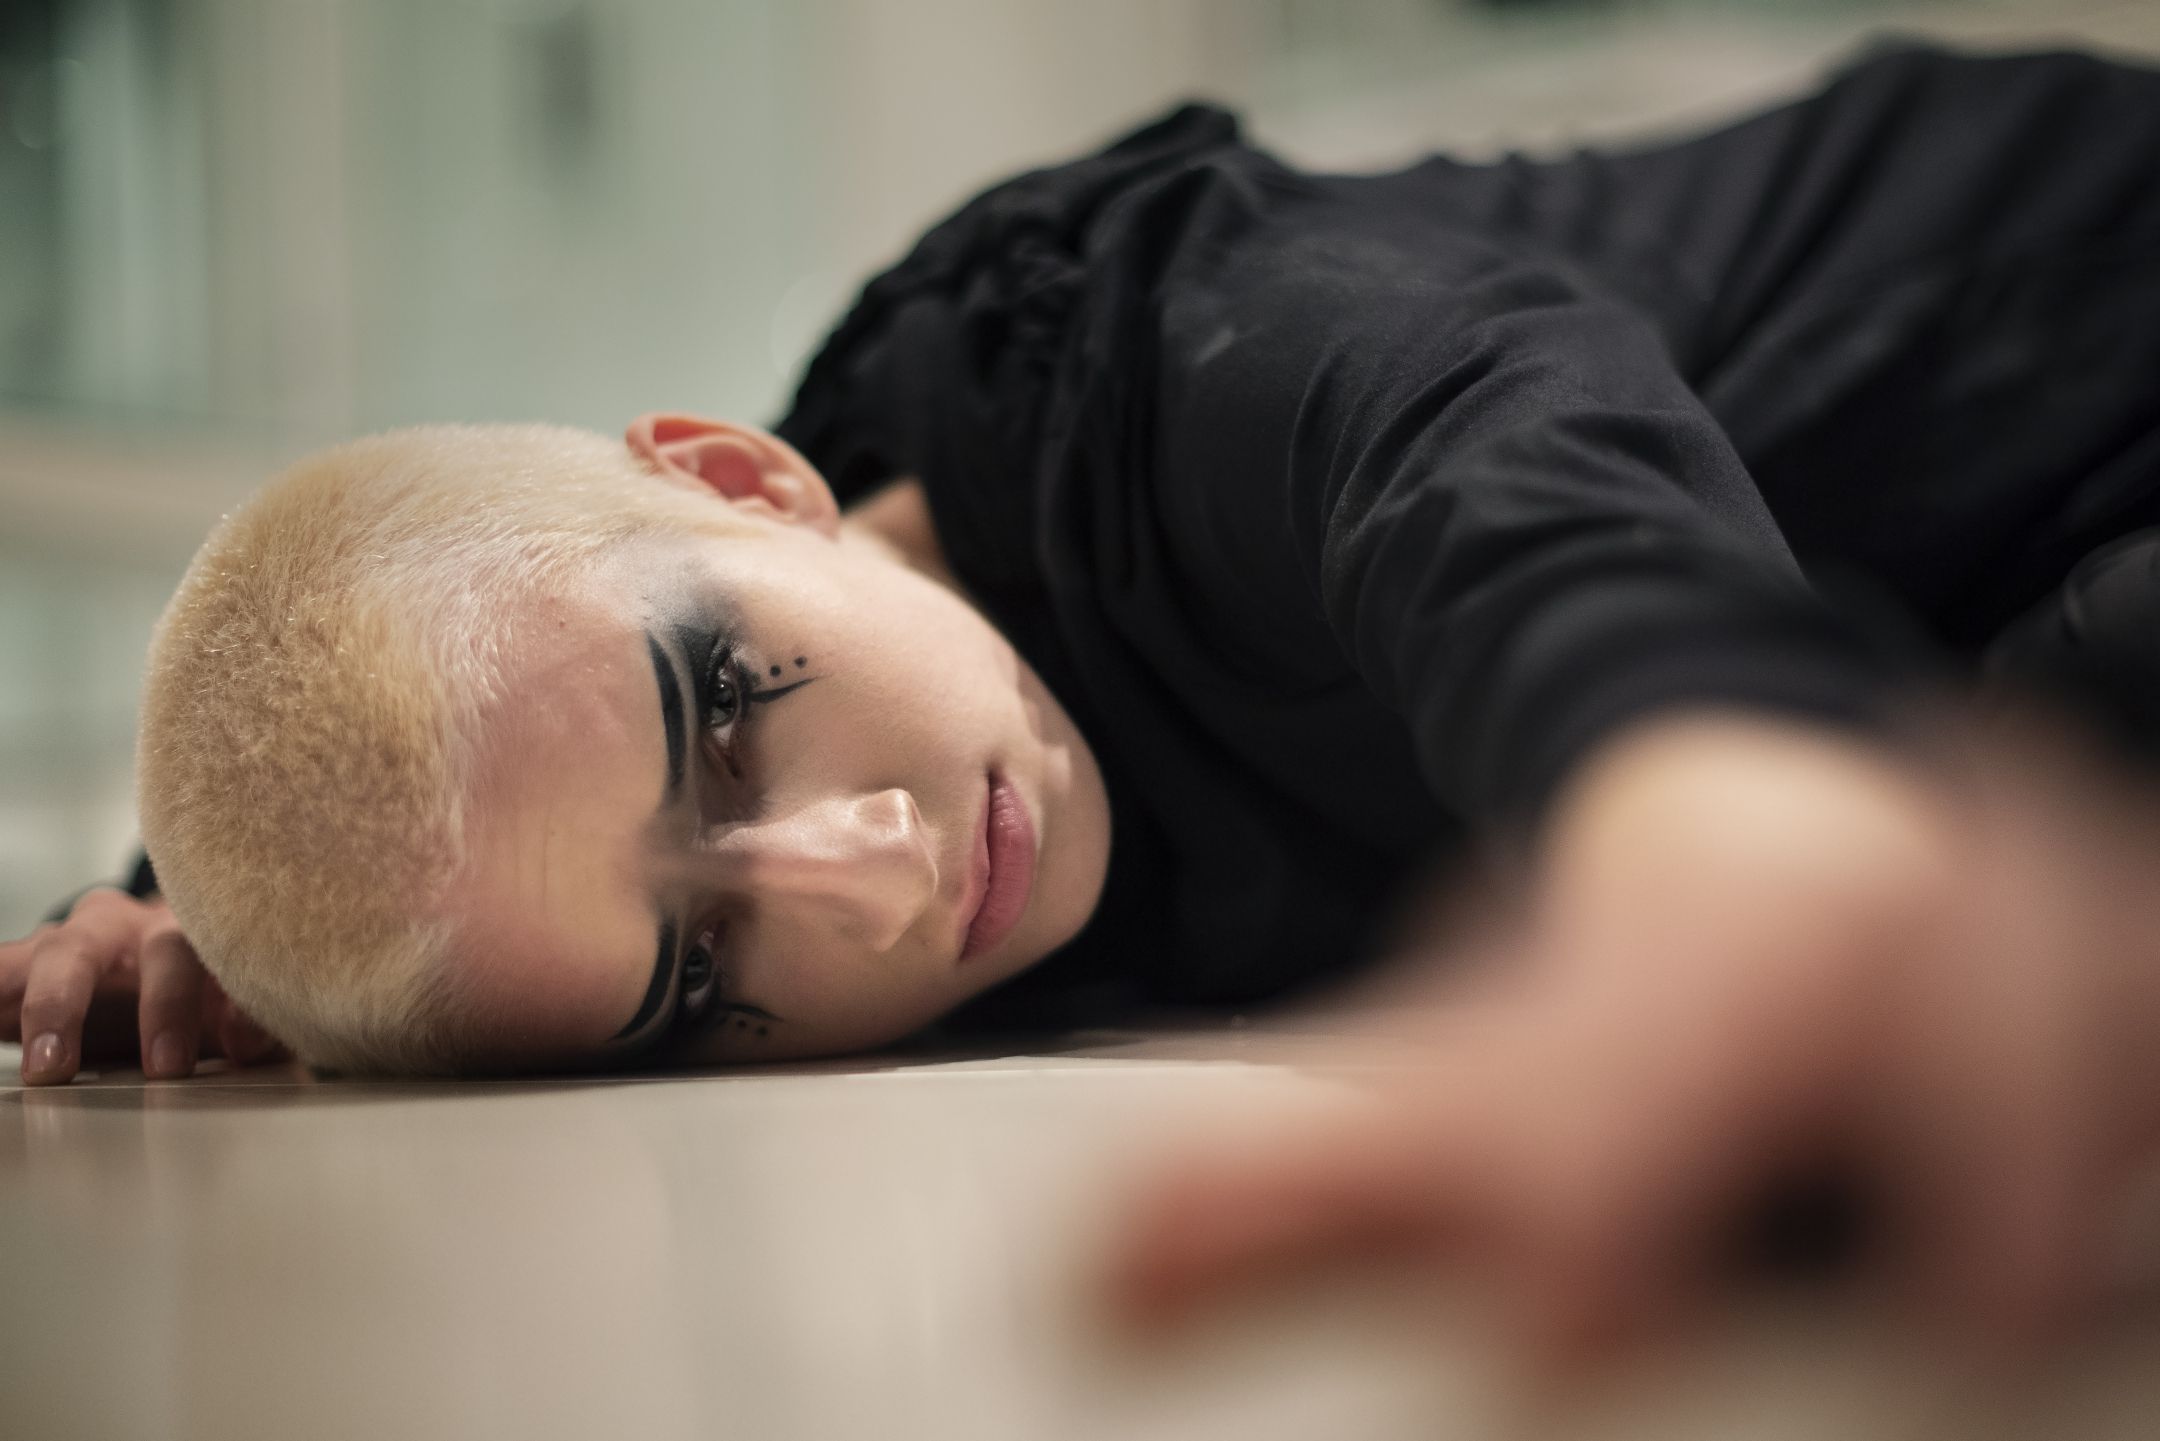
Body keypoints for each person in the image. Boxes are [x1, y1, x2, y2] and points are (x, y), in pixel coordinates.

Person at [9, 37, 2160, 1356]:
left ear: (752, 480)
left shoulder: (1136, 337)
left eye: (733, 714)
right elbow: (471, 782)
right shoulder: (727, 811)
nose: (864, 879)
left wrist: (1736, 823)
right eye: (699, 969)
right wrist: (199, 902)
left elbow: (1475, 457)